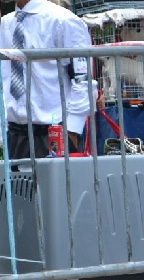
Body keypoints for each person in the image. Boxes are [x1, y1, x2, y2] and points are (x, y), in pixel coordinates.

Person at [0, 0, 96, 160]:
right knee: (19, 185)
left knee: (55, 185)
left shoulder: (64, 21)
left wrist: (72, 129)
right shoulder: (5, 24)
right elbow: (5, 76)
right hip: (15, 134)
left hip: (53, 133)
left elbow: (83, 79)